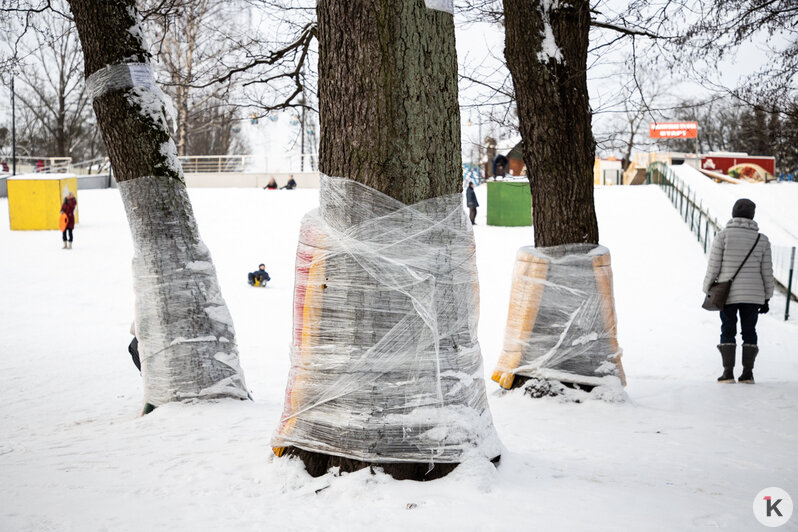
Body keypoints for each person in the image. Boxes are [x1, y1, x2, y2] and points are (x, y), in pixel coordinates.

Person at [703, 198, 774, 384]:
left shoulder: (723, 236)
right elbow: (767, 272)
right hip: (754, 294)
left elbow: (713, 266)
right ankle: (748, 374)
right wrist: (767, 297)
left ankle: (727, 373)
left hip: (728, 294)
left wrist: (707, 288)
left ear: (734, 213)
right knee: (749, 330)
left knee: (728, 329)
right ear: (752, 216)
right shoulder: (762, 240)